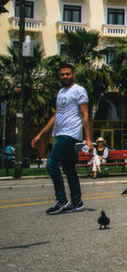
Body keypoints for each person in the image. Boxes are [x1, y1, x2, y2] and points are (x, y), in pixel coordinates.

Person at [32, 63, 93, 214]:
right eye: (62, 74)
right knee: (68, 168)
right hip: (61, 132)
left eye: (67, 74)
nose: (65, 76)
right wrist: (41, 135)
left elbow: (85, 116)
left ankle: (61, 200)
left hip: (70, 133)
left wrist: (88, 139)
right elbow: (56, 116)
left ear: (73, 75)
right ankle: (77, 202)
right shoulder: (61, 92)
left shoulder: (79, 90)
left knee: (51, 164)